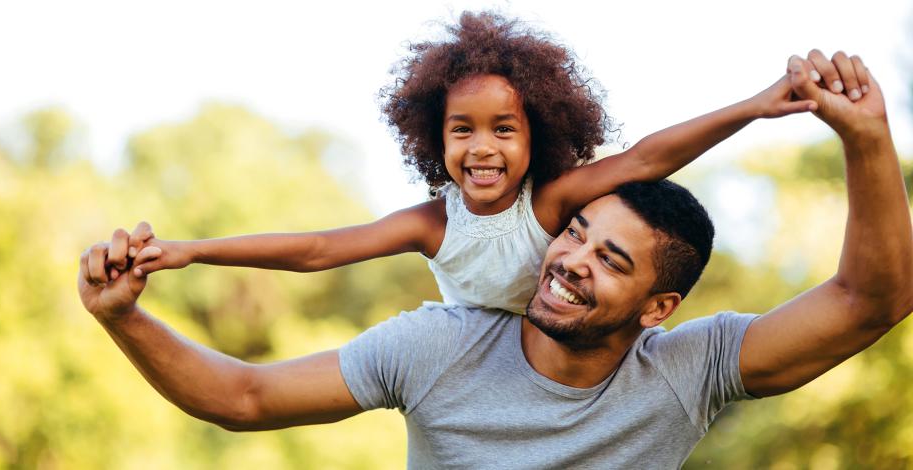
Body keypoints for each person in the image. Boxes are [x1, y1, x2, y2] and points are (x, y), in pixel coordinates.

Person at [78, 50, 912, 467]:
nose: (571, 256)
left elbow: (871, 301)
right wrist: (127, 315)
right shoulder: (439, 345)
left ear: (659, 307)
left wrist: (867, 139)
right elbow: (244, 395)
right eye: (576, 231)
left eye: (612, 259)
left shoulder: (688, 370)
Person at [105, 12, 821, 315]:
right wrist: (192, 251)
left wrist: (753, 106)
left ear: (535, 135)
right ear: (434, 138)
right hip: (473, 365)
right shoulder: (431, 224)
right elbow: (321, 249)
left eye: (504, 129)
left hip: (563, 350)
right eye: (462, 130)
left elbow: (647, 157)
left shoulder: (549, 205)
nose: (482, 148)